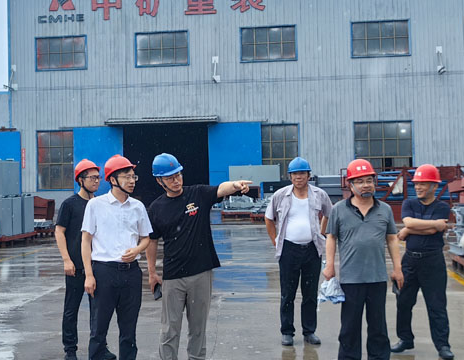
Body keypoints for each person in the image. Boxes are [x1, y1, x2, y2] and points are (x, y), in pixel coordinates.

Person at [145, 153, 252, 360]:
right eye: (170, 178)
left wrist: (235, 185)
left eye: (178, 175)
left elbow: (221, 189)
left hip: (201, 273)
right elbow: (152, 241)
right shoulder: (156, 209)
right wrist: (152, 273)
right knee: (169, 329)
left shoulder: (198, 194)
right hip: (173, 276)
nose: (176, 180)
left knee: (198, 329)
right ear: (159, 181)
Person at [322, 159, 404, 360]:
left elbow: (392, 239)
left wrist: (398, 268)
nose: (366, 185)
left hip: (377, 278)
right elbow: (331, 237)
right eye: (360, 181)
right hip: (351, 279)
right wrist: (330, 265)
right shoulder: (339, 209)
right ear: (350, 185)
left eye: (369, 180)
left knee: (378, 327)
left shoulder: (384, 209)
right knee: (349, 328)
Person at [81, 154, 152, 360]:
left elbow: (146, 238)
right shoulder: (95, 205)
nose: (132, 181)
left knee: (129, 330)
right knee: (98, 328)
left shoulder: (138, 206)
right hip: (104, 272)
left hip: (131, 274)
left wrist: (137, 250)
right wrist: (89, 275)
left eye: (133, 177)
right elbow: (86, 240)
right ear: (112, 179)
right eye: (126, 177)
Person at [264, 156, 332, 346]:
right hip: (288, 250)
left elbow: (329, 214)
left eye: (302, 173)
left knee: (310, 293)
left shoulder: (319, 194)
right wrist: (275, 240)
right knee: (288, 293)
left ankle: (309, 331)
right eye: (294, 174)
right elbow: (269, 218)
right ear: (290, 176)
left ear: (309, 175)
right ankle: (287, 332)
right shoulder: (280, 195)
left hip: (312, 250)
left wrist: (321, 233)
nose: (298, 177)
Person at [55, 159, 116, 360]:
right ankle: (70, 350)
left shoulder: (100, 204)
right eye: (92, 178)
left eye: (98, 177)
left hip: (97, 266)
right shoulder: (69, 204)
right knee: (71, 310)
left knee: (98, 312)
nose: (96, 181)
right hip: (76, 267)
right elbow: (59, 232)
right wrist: (66, 260)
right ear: (80, 180)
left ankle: (99, 348)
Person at [391, 164, 454, 360]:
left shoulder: (442, 207)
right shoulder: (409, 203)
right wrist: (425, 225)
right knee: (403, 302)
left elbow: (431, 230)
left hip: (433, 262)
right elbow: (411, 223)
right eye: (416, 184)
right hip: (410, 261)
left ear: (434, 186)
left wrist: (409, 230)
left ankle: (443, 345)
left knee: (436, 305)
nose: (418, 187)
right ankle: (405, 339)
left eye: (423, 184)